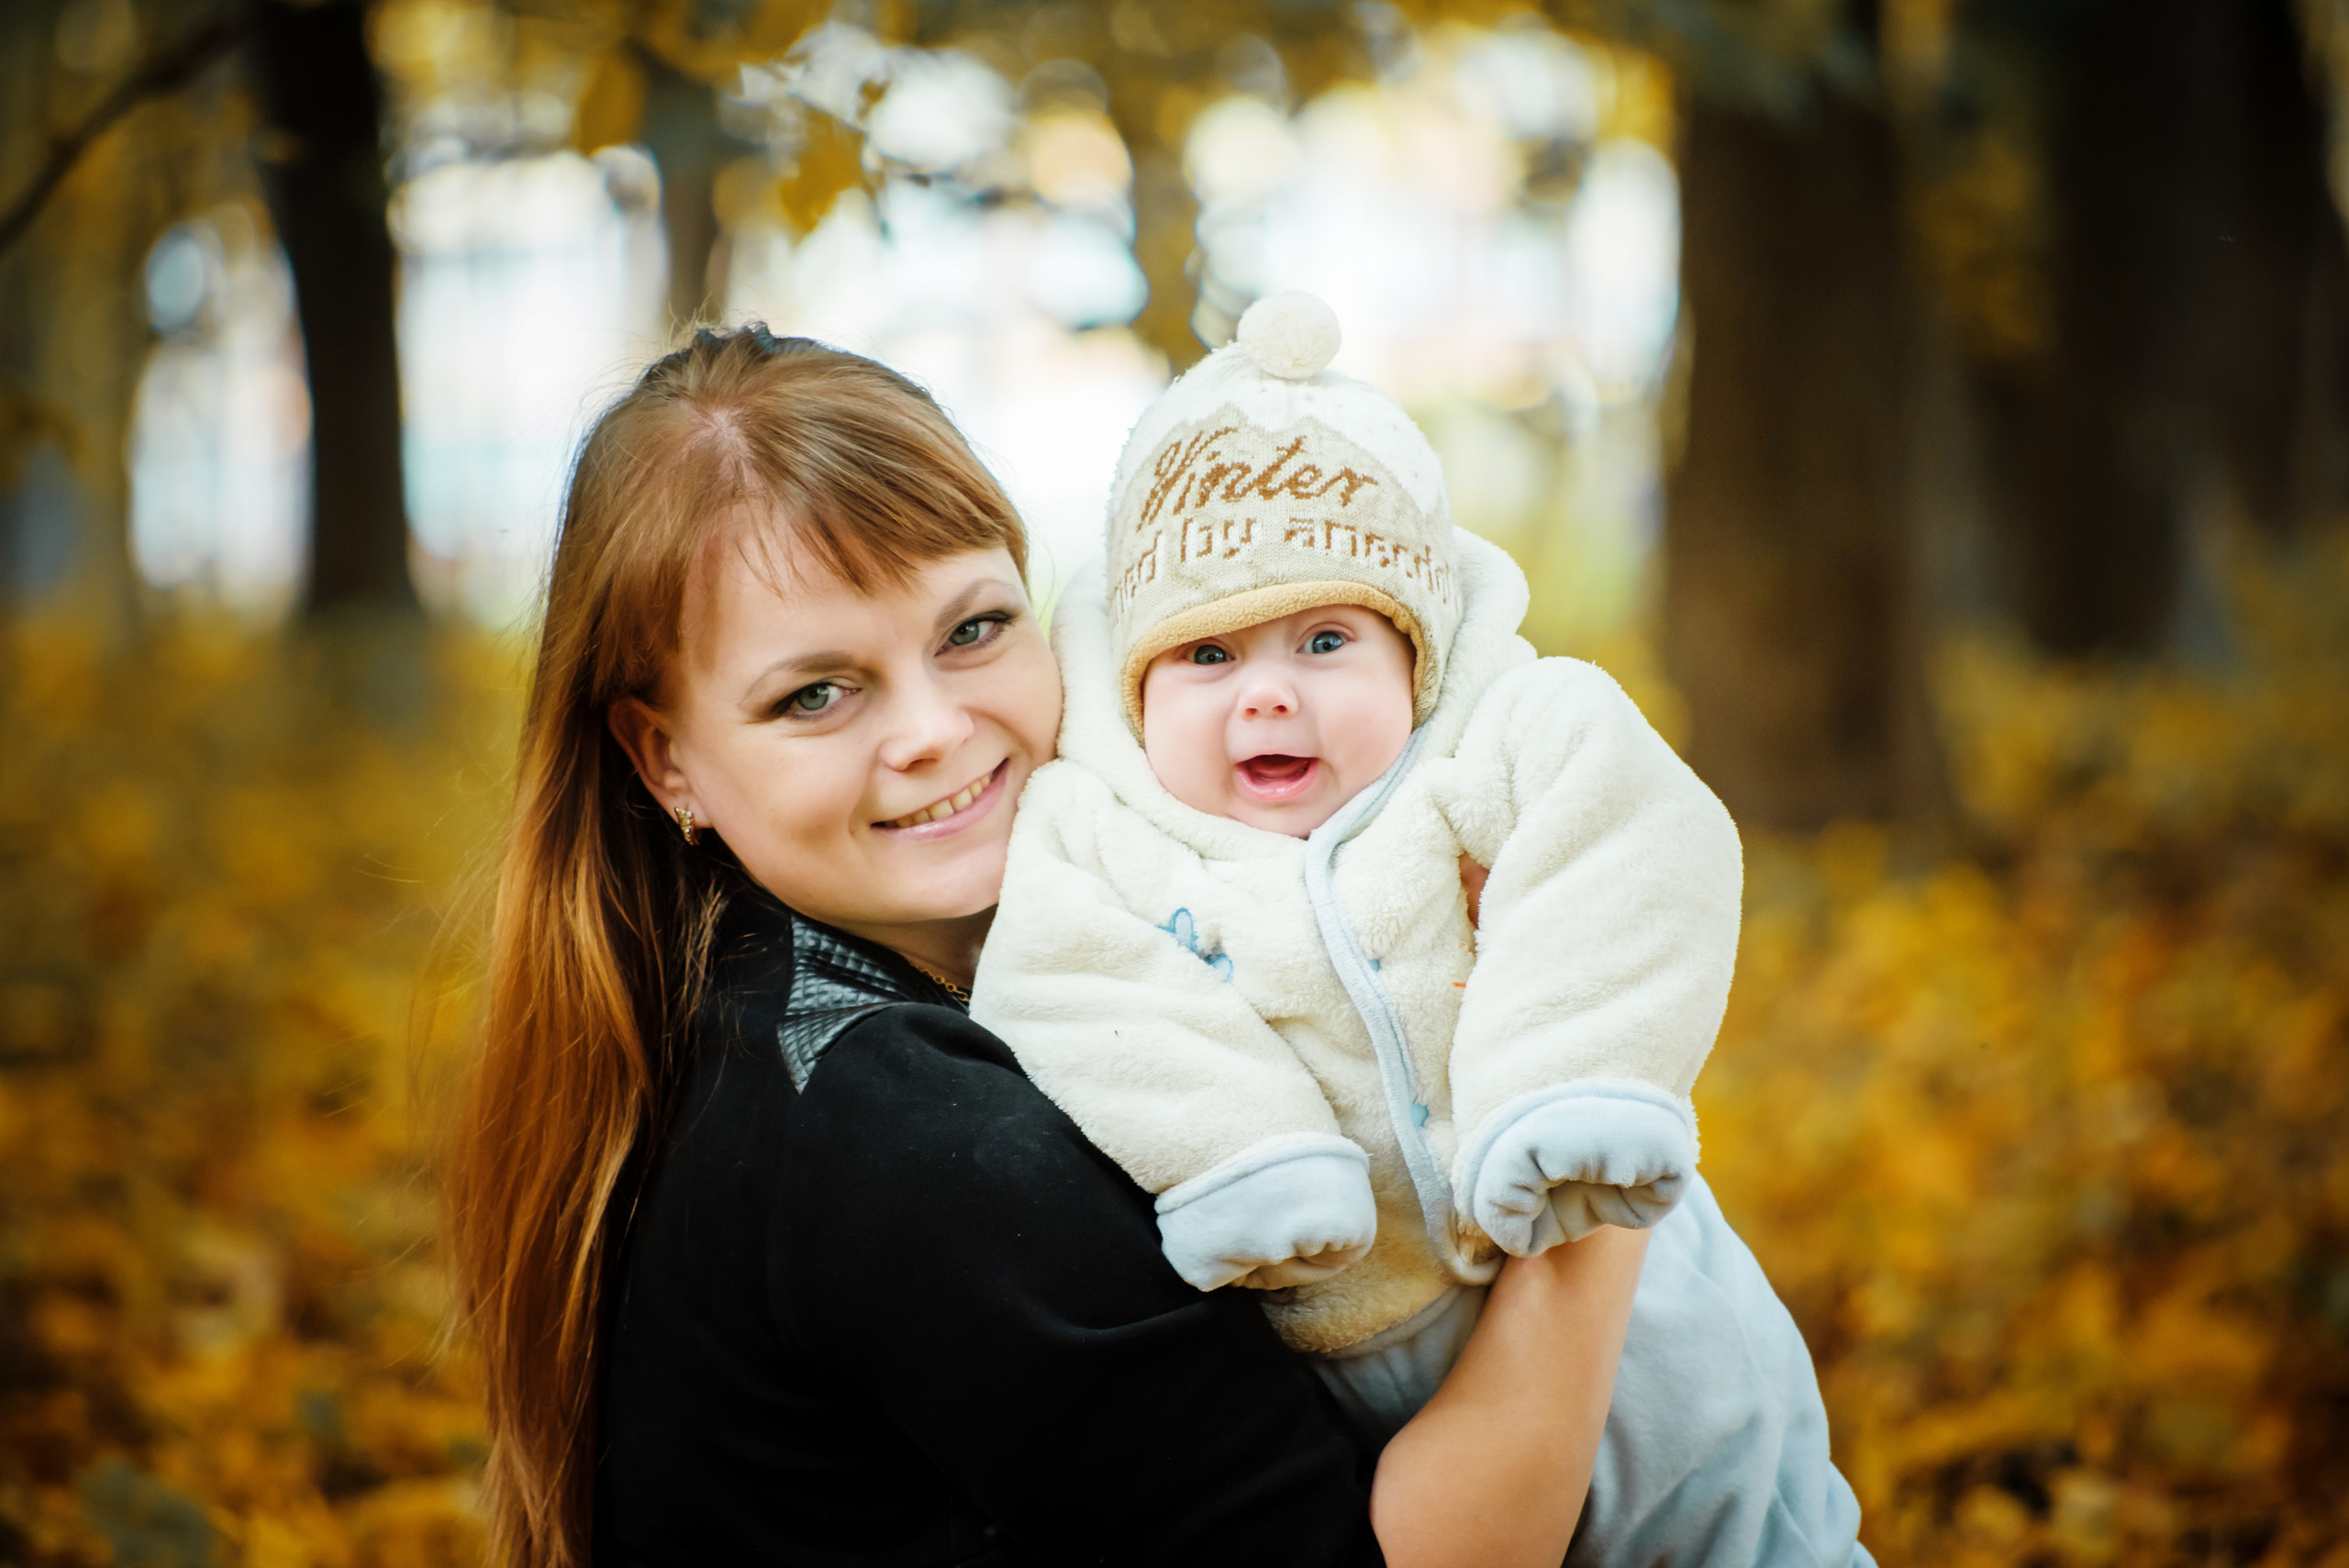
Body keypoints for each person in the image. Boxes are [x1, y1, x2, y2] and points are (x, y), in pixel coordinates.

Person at [441, 324, 1654, 1568]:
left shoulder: (755, 995)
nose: (933, 729)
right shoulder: (915, 1141)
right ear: (666, 759)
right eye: (815, 693)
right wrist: (1587, 1081)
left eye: (971, 630)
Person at [972, 294, 1873, 1565]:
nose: (1268, 692)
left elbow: (1630, 842)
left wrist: (1574, 1081)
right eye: (1209, 655)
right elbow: (1074, 989)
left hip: (1618, 1263)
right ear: (1134, 686)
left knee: (1754, 1511)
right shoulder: (1103, 833)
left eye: (1325, 639)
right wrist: (1249, 1160)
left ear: (1415, 657)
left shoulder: (1493, 742)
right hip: (1360, 1324)